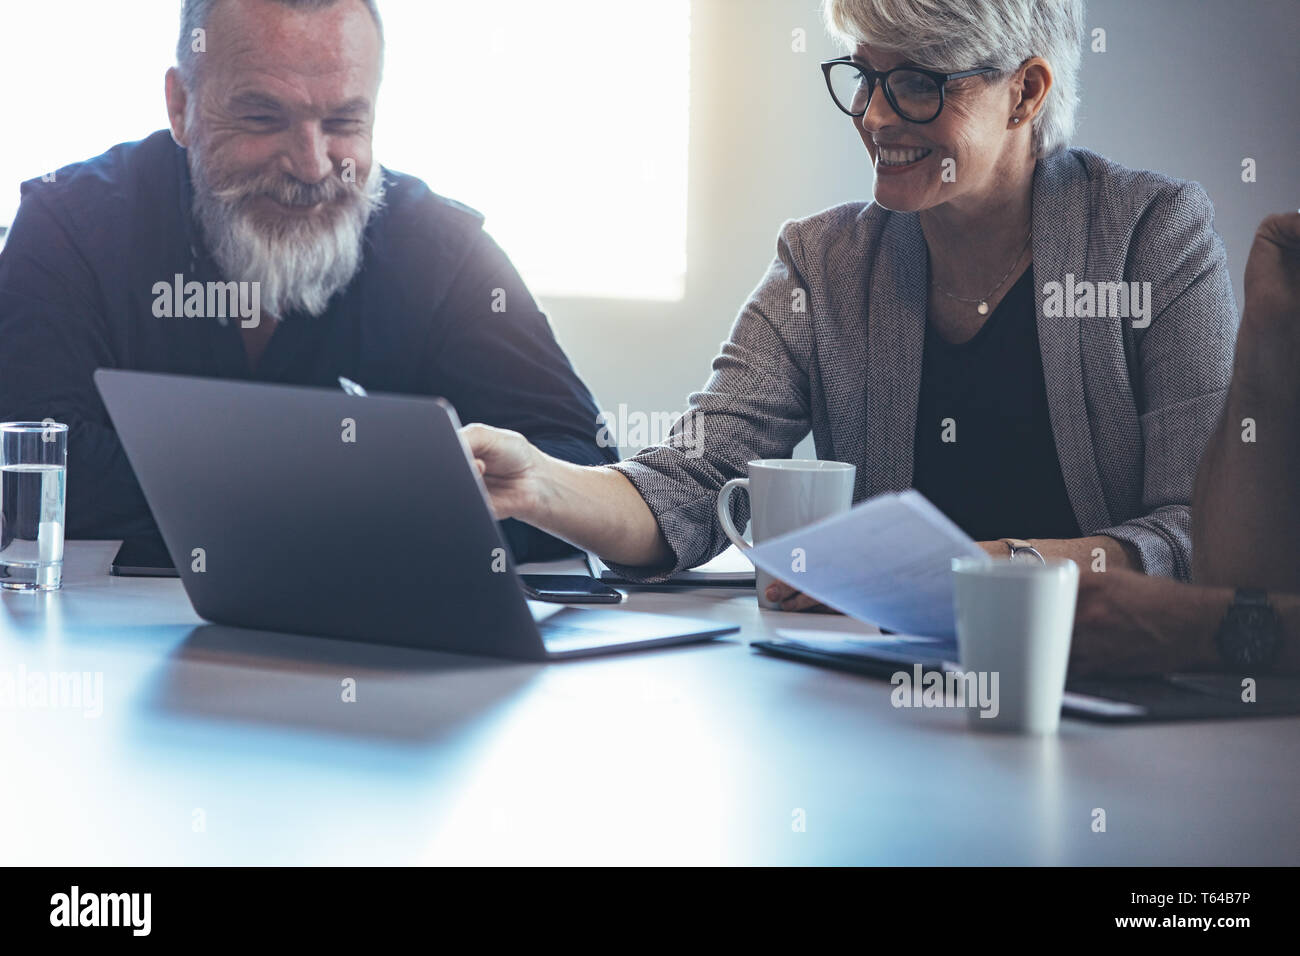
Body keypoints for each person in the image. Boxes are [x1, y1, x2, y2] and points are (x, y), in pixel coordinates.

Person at [463, 0, 1235, 604]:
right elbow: (691, 484)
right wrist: (537, 483)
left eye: (917, 85)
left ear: (1025, 92)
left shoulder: (1152, 239)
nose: (874, 115)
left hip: (1106, 694)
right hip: (879, 695)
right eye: (865, 76)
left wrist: (987, 569)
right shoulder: (824, 265)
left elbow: (1198, 535)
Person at [0, 0, 614, 561]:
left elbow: (580, 466)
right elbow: (29, 465)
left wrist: (224, 486)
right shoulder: (71, 225)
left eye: (345, 121)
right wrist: (378, 490)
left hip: (387, 654)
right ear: (181, 107)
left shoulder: (443, 249)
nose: (312, 164)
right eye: (264, 118)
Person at [1070, 213, 1300, 676]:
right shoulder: (1282, 260)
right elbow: (1239, 579)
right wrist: (1261, 349)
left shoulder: (1158, 223)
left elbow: (1209, 585)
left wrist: (1198, 628)